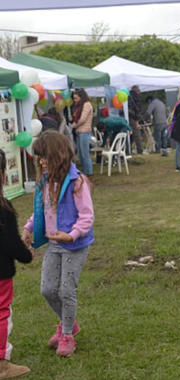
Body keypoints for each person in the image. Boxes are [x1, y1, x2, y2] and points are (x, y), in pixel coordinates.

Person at [22, 131, 94, 357]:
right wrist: (28, 228)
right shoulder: (46, 182)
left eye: (44, 156)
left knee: (65, 290)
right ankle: (69, 324)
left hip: (74, 245)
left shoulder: (77, 182)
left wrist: (71, 235)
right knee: (47, 289)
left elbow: (87, 217)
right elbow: (42, 212)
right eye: (39, 157)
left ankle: (67, 335)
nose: (40, 161)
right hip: (54, 244)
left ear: (57, 155)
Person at [0, 149, 33, 379]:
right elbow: (11, 244)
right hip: (1, 275)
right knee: (2, 314)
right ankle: (2, 363)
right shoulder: (4, 210)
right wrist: (27, 253)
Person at [72, 88, 93, 176]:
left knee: (85, 154)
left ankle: (88, 172)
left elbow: (83, 119)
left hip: (84, 132)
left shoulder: (87, 105)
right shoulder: (80, 106)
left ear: (81, 97)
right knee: (80, 154)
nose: (74, 100)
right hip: (80, 132)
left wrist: (74, 125)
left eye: (76, 98)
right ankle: (85, 171)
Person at [128, 85, 144, 154]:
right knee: (137, 134)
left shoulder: (128, 96)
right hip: (133, 117)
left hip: (126, 116)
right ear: (136, 90)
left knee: (129, 134)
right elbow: (137, 109)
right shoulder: (135, 97)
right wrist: (137, 120)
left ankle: (128, 149)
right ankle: (140, 150)